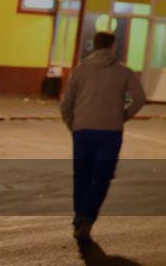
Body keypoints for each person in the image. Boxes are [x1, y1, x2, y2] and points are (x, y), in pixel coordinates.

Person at [60, 32, 146, 243]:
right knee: (102, 177)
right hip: (110, 132)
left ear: (94, 45)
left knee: (82, 176)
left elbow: (66, 102)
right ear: (112, 46)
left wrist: (73, 124)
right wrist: (123, 115)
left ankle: (79, 215)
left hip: (83, 131)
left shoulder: (80, 70)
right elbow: (140, 98)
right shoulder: (123, 71)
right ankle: (87, 217)